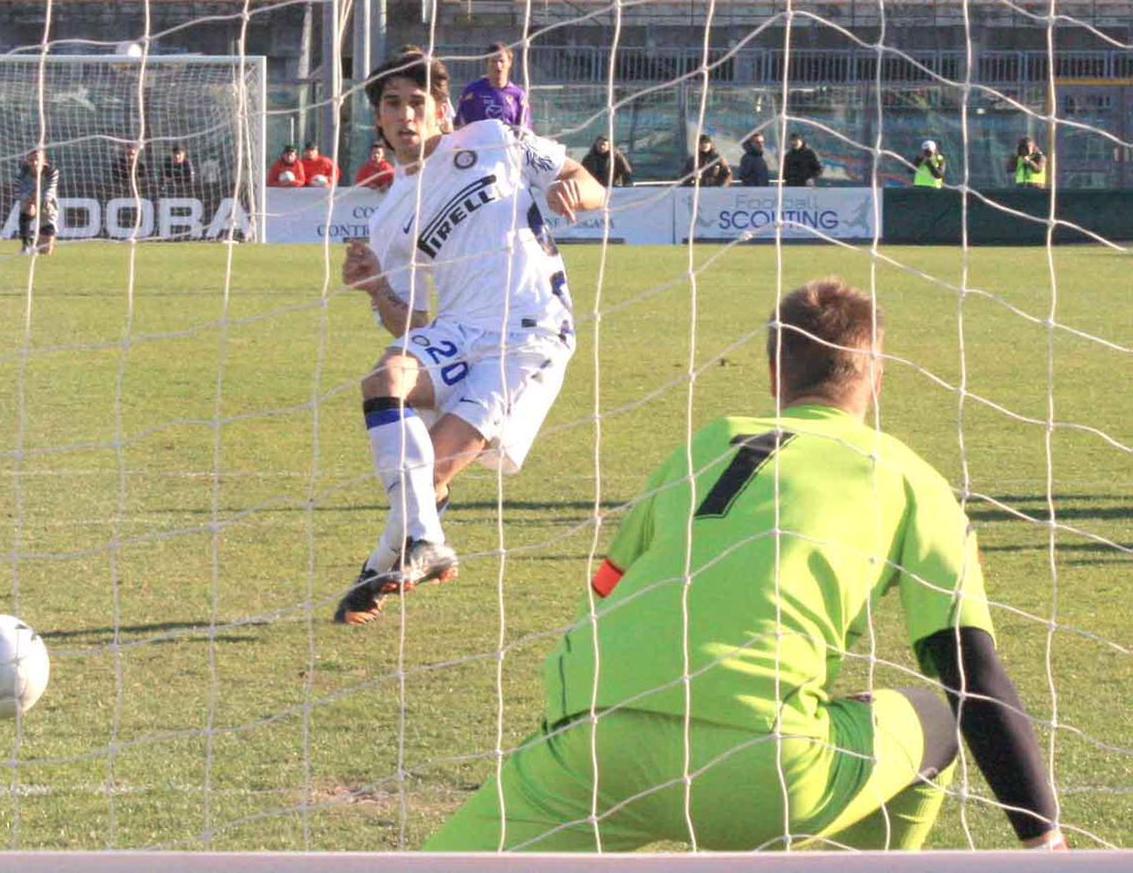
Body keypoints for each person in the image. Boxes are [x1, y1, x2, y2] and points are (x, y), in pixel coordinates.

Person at [424, 277, 1068, 853]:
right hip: (767, 775)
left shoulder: (706, 444)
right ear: (876, 377)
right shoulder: (908, 477)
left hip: (589, 748)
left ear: (772, 375)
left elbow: (606, 592)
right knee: (935, 720)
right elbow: (969, 668)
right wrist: (1043, 837)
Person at [335, 47, 606, 625]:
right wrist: (376, 290)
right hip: (459, 330)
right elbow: (409, 321)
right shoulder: (389, 217)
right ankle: (424, 545)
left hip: (532, 331)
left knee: (429, 476)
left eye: (417, 102)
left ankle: (375, 575)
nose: (406, 116)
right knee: (386, 379)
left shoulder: (492, 137)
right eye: (392, 104)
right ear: (377, 118)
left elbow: (589, 182)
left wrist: (574, 193)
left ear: (440, 109)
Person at [454, 42, 531, 131]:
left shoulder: (518, 95)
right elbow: (459, 125)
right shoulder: (473, 91)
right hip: (479, 143)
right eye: (493, 61)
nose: (498, 66)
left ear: (509, 63)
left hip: (507, 143)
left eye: (501, 61)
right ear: (487, 63)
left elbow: (525, 130)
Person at [14, 148, 59, 255]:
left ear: (44, 161)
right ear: (26, 161)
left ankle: (35, 239)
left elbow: (50, 191)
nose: (34, 163)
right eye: (31, 160)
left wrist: (39, 200)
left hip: (46, 204)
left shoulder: (52, 172)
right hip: (29, 200)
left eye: (37, 160)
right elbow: (18, 193)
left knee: (45, 251)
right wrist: (30, 200)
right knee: (26, 208)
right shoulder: (20, 174)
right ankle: (26, 245)